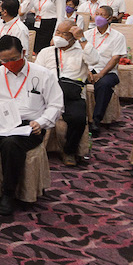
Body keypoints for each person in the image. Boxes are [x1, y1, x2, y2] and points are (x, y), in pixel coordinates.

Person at [0, 36, 63, 216]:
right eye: (5, 60)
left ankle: (8, 193)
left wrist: (41, 122)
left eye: (14, 59)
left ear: (23, 53)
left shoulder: (43, 74)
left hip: (29, 125)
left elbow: (56, 104)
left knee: (11, 145)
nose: (10, 64)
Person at [34, 20, 98, 166]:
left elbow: (95, 60)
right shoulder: (46, 52)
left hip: (71, 94)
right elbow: (36, 74)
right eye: (58, 32)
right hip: (47, 93)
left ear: (73, 36)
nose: (59, 36)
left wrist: (82, 38)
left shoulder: (81, 51)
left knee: (78, 119)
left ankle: (69, 151)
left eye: (64, 34)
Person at [84, 6, 126, 135]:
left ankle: (96, 120)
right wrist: (87, 71)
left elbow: (115, 59)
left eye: (101, 14)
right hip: (88, 69)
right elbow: (81, 53)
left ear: (109, 18)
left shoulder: (117, 36)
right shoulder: (87, 34)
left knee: (103, 84)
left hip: (107, 71)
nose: (98, 17)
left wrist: (100, 74)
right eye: (96, 13)